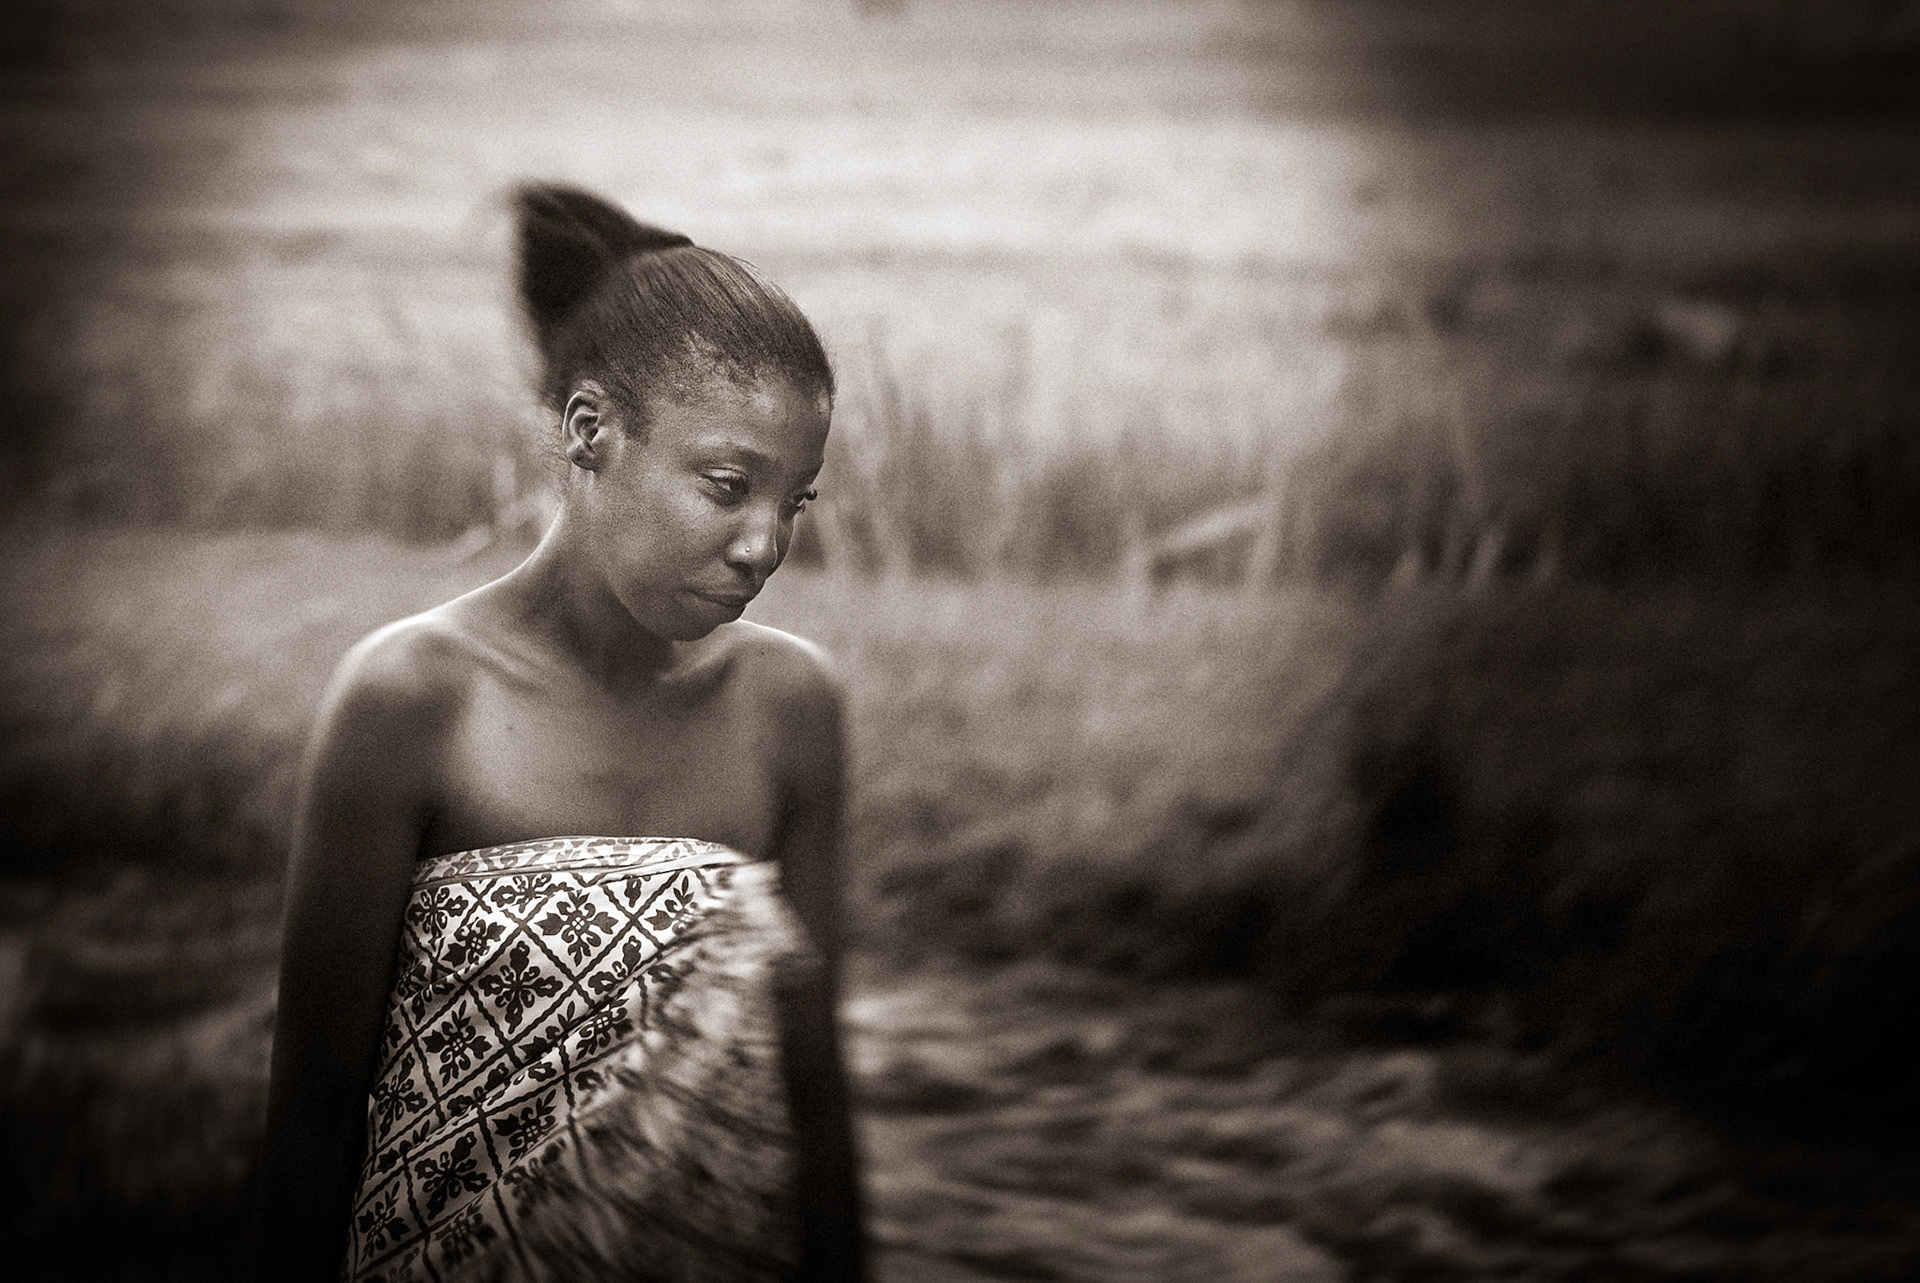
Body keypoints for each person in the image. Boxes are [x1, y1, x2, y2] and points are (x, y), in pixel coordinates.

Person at [256, 183, 866, 1282]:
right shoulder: (411, 700)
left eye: (797, 501)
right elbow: (310, 1115)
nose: (764, 541)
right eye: (727, 486)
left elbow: (812, 1094)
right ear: (592, 432)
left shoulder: (791, 709)